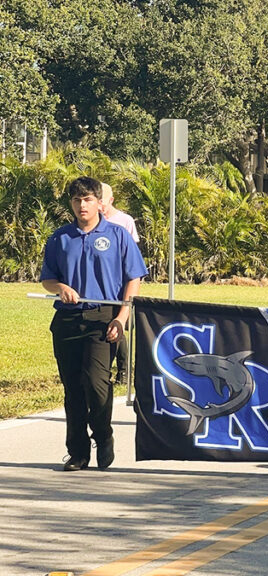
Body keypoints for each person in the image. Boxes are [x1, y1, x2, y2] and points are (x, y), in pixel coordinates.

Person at [41, 176, 147, 471]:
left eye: (87, 199)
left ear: (100, 203)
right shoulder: (60, 238)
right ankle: (77, 452)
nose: (82, 205)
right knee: (73, 388)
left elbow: (133, 278)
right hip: (68, 319)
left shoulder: (117, 235)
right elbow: (48, 278)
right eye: (76, 200)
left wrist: (121, 318)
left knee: (97, 384)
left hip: (105, 318)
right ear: (70, 204)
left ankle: (104, 435)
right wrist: (59, 287)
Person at [99, 182, 139, 388]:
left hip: (122, 285)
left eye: (102, 203)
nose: (99, 208)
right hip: (101, 287)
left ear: (110, 200)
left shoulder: (125, 221)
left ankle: (124, 371)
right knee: (109, 327)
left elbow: (133, 258)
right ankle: (107, 369)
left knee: (120, 325)